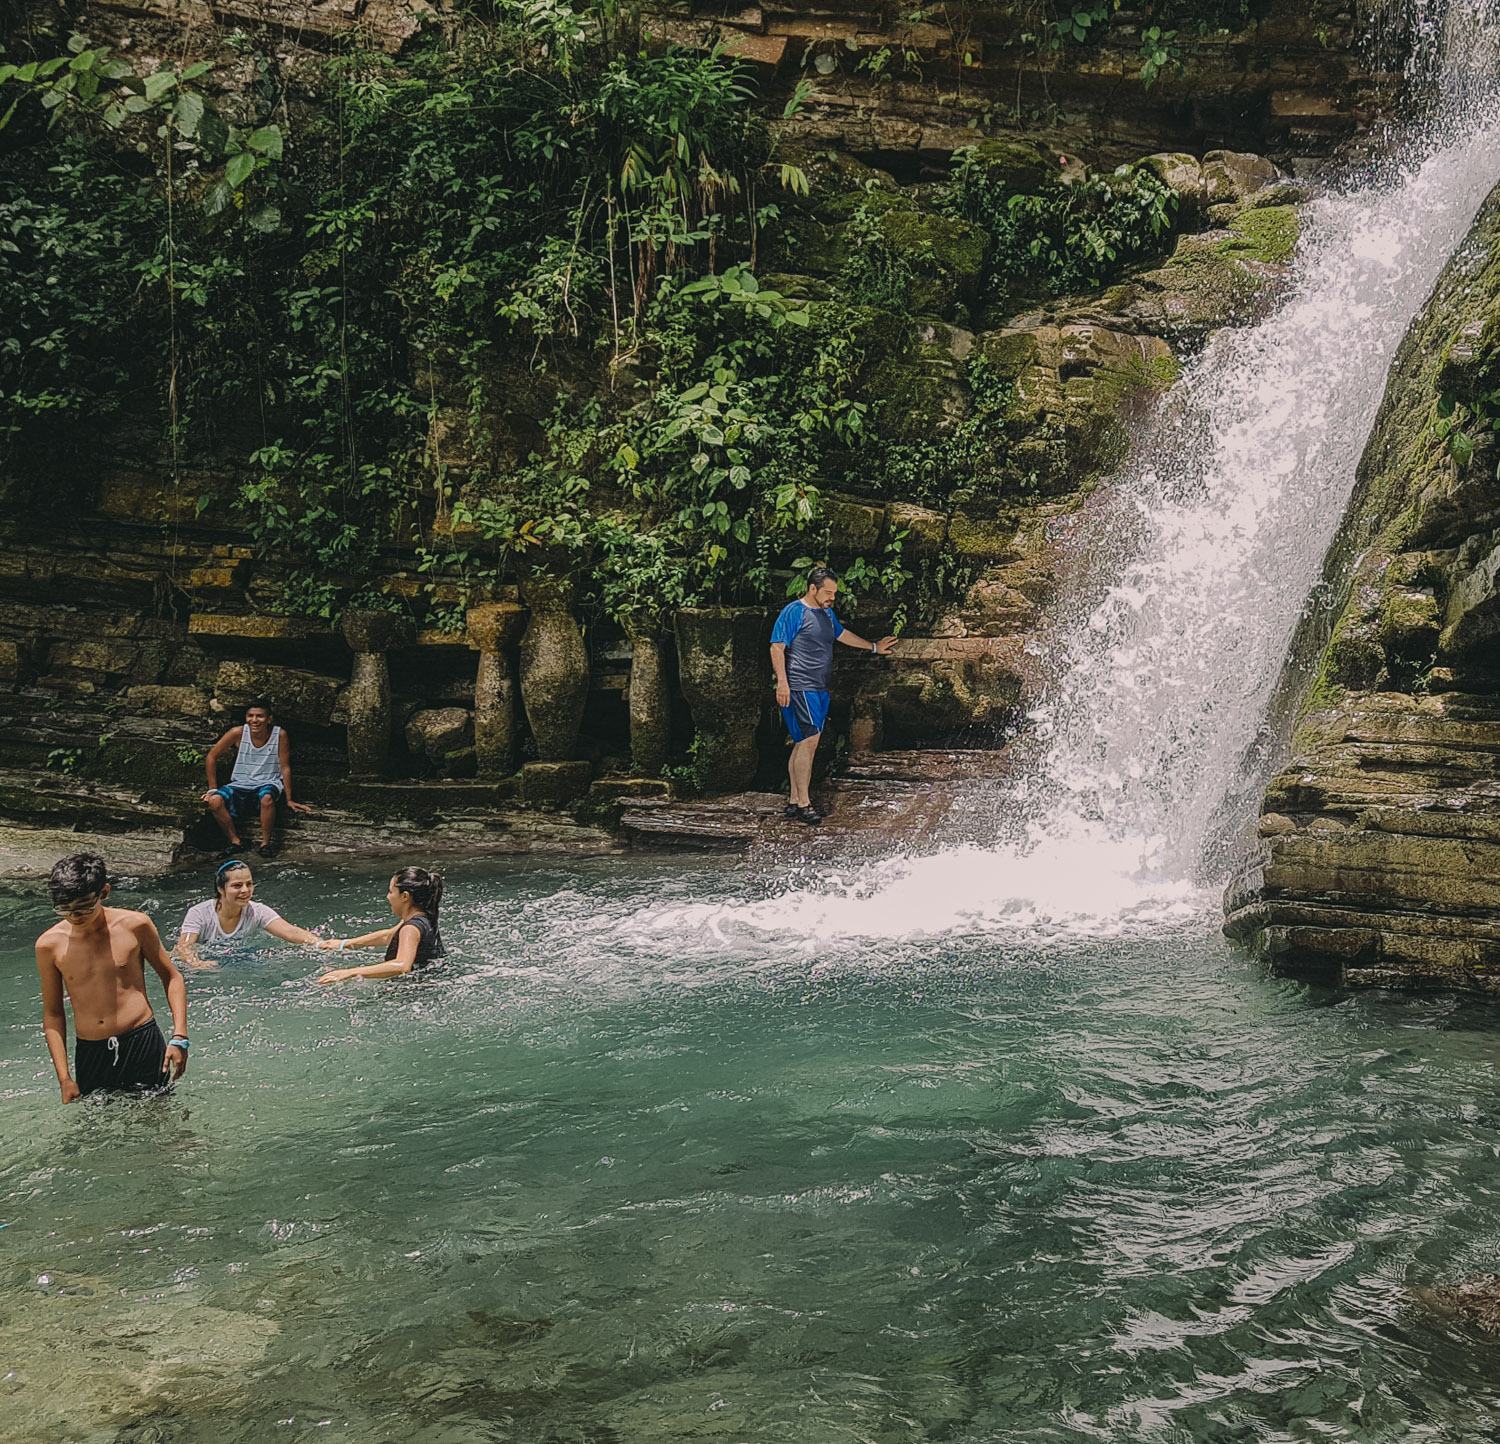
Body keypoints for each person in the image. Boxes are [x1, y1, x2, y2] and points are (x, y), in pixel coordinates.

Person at [34, 852, 189, 1103]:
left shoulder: (135, 925)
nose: (75, 916)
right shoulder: (48, 945)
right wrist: (64, 1077)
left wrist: (179, 1037)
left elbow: (172, 977)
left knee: (161, 1119)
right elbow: (53, 1014)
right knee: (99, 1134)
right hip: (91, 1050)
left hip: (141, 1040)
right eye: (64, 909)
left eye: (84, 906)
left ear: (104, 892)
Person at [770, 565, 896, 825]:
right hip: (800, 685)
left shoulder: (827, 613)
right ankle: (805, 804)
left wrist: (873, 647)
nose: (832, 597)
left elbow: (841, 634)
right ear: (812, 588)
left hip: (819, 687)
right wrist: (782, 683)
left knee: (802, 740)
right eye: (828, 592)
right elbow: (777, 647)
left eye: (834, 593)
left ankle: (794, 800)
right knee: (810, 740)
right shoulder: (794, 612)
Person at [202, 699, 311, 859]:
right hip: (241, 782)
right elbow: (211, 756)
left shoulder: (279, 735)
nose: (254, 720)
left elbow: (285, 766)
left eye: (259, 716)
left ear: (269, 719)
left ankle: (265, 844)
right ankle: (235, 842)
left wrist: (289, 798)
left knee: (266, 798)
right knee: (214, 801)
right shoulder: (238, 732)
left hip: (268, 781)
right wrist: (212, 788)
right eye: (250, 716)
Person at [174, 859, 326, 970]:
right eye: (237, 886)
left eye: (249, 884)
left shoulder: (257, 911)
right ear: (221, 889)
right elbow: (184, 947)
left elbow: (290, 931)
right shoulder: (198, 913)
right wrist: (196, 964)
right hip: (209, 965)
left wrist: (319, 943)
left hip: (242, 959)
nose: (245, 890)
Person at [315, 866, 445, 983]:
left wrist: (349, 972)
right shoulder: (424, 915)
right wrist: (344, 944)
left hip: (413, 991)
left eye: (391, 892)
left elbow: (402, 965)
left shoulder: (411, 928)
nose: (388, 897)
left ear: (405, 896)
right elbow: (388, 936)